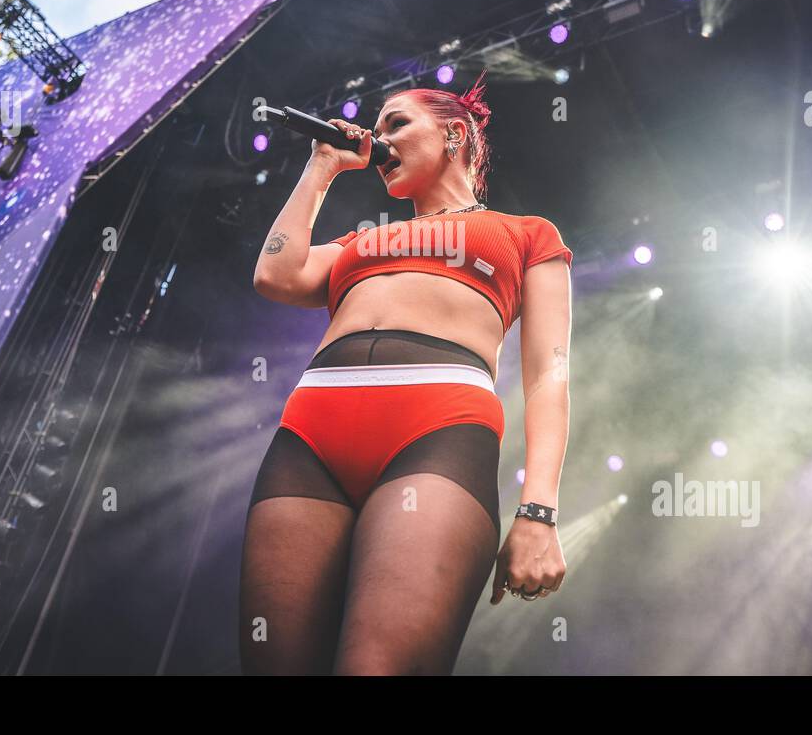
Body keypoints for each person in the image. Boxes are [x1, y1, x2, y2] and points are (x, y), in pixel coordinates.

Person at [240, 70, 573, 674]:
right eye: (378, 126)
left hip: (438, 431)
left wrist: (538, 511)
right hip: (311, 435)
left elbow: (548, 376)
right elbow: (275, 275)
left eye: (397, 123)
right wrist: (322, 167)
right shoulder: (363, 239)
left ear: (454, 133)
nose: (379, 137)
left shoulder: (527, 234)